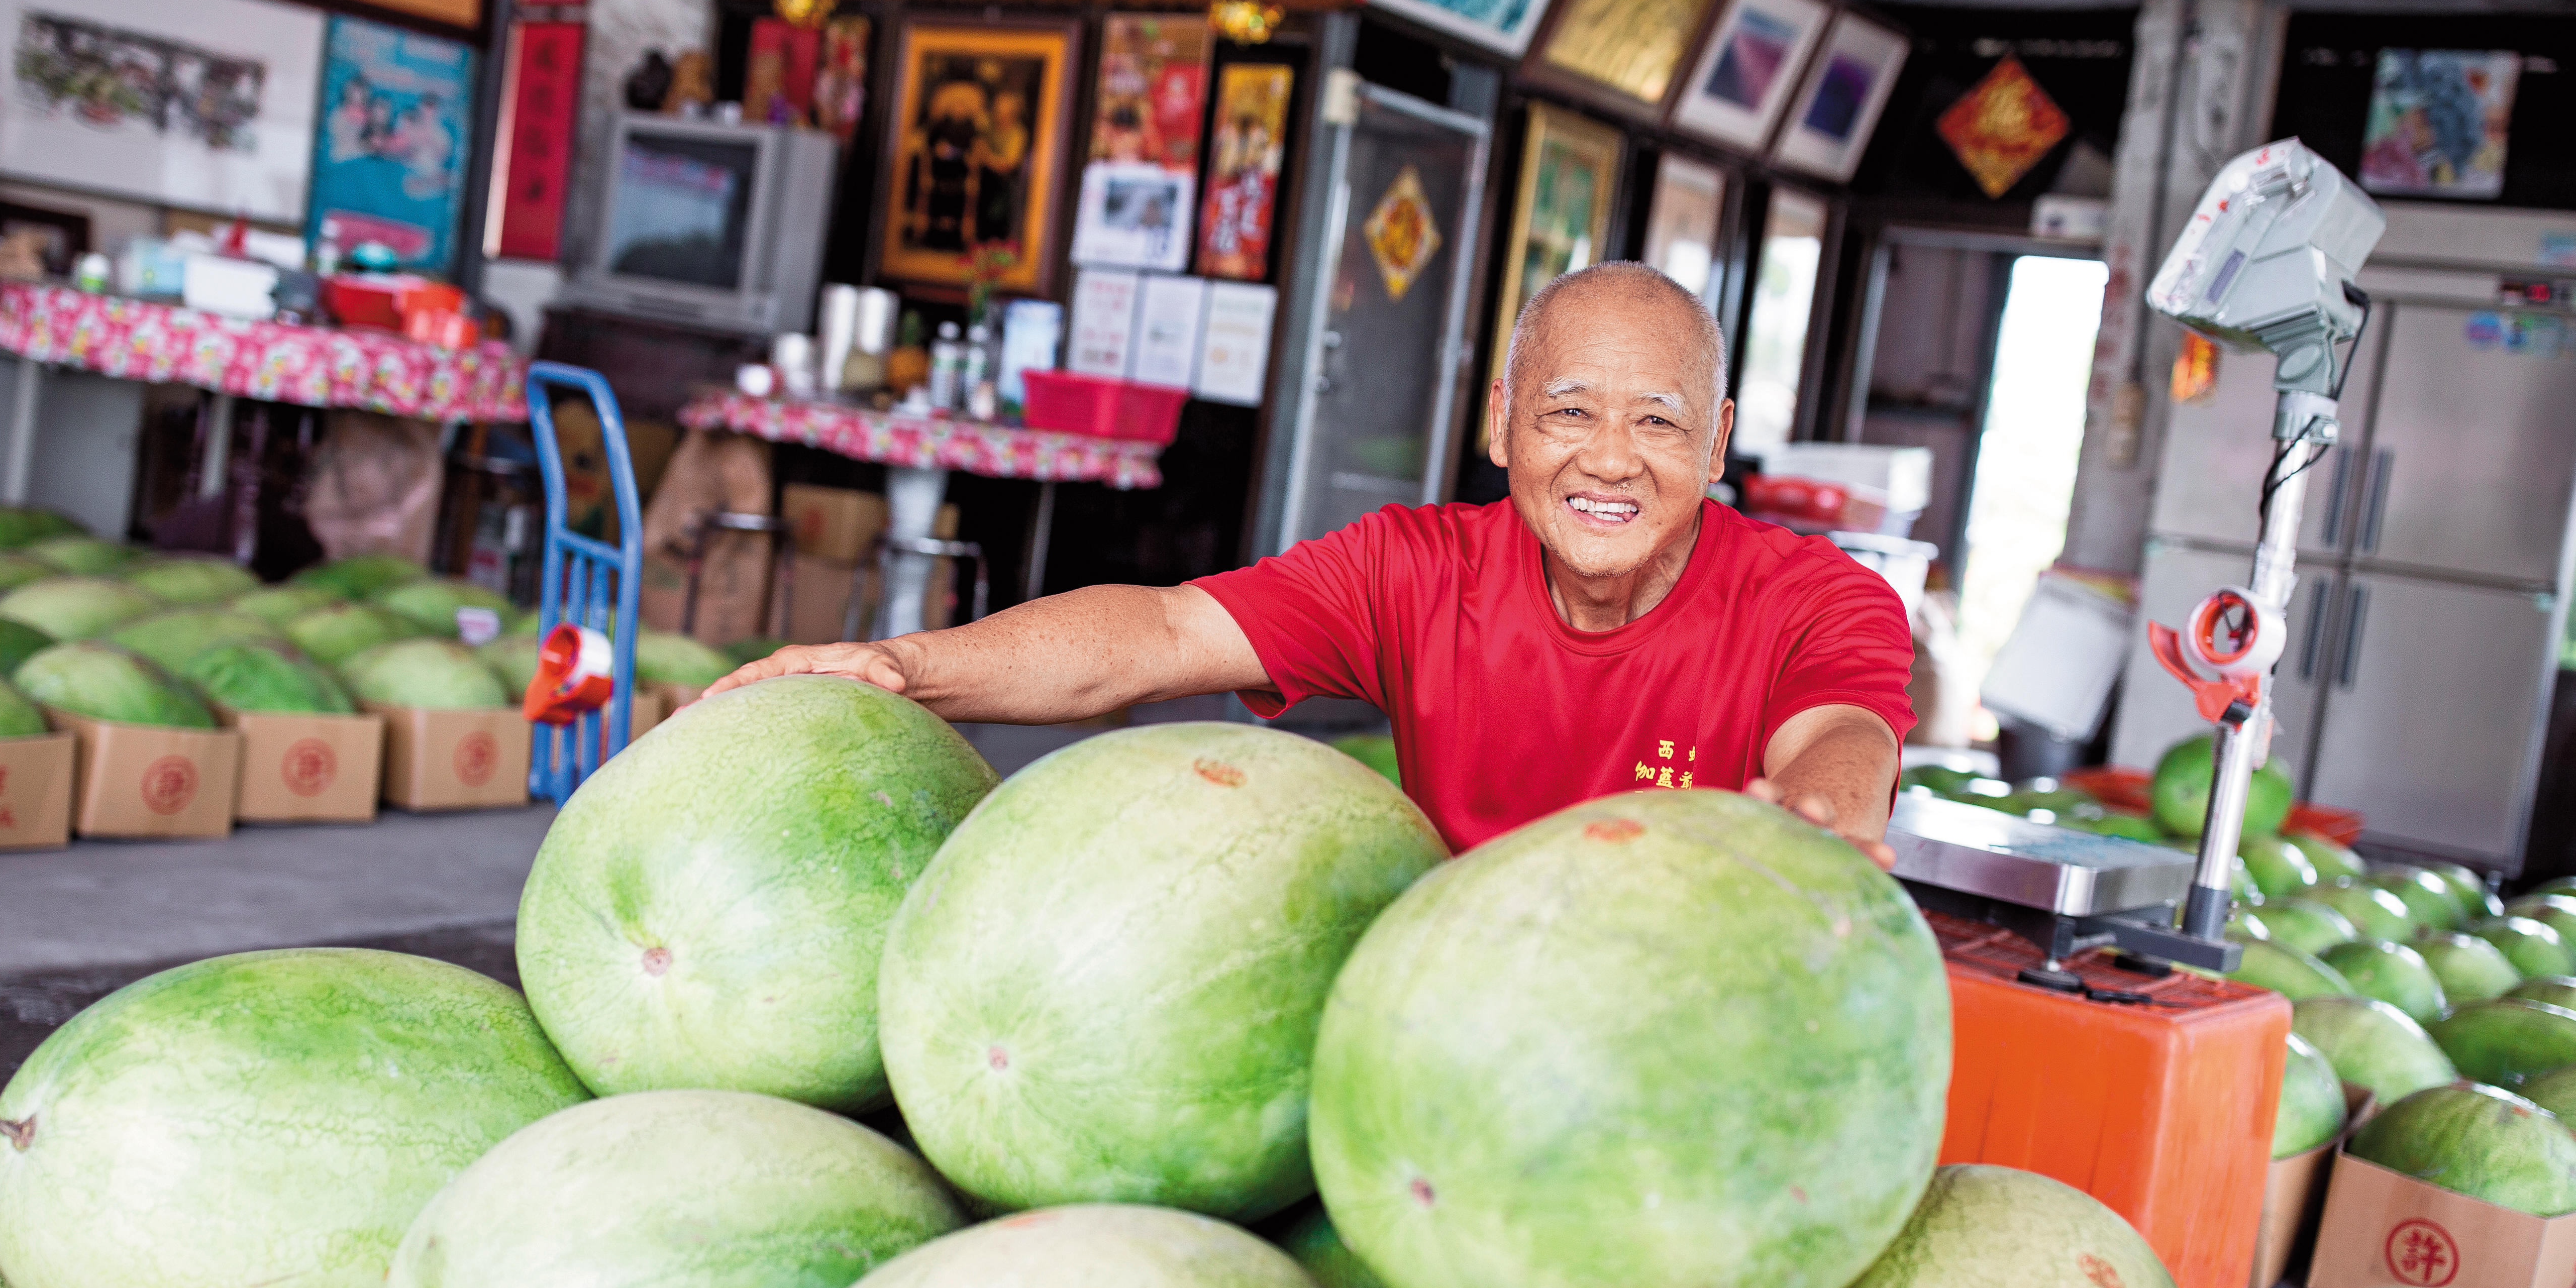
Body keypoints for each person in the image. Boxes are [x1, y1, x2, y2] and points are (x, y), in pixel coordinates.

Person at [709, 260, 1914, 860]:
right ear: (1501, 425)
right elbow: (1166, 634)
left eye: (1657, 421)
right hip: (1435, 1016)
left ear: (1717, 445)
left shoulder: (1821, 600)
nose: (1610, 461)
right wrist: (900, 665)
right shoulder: (1418, 568)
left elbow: (1842, 741)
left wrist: (1812, 841)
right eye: (1567, 414)